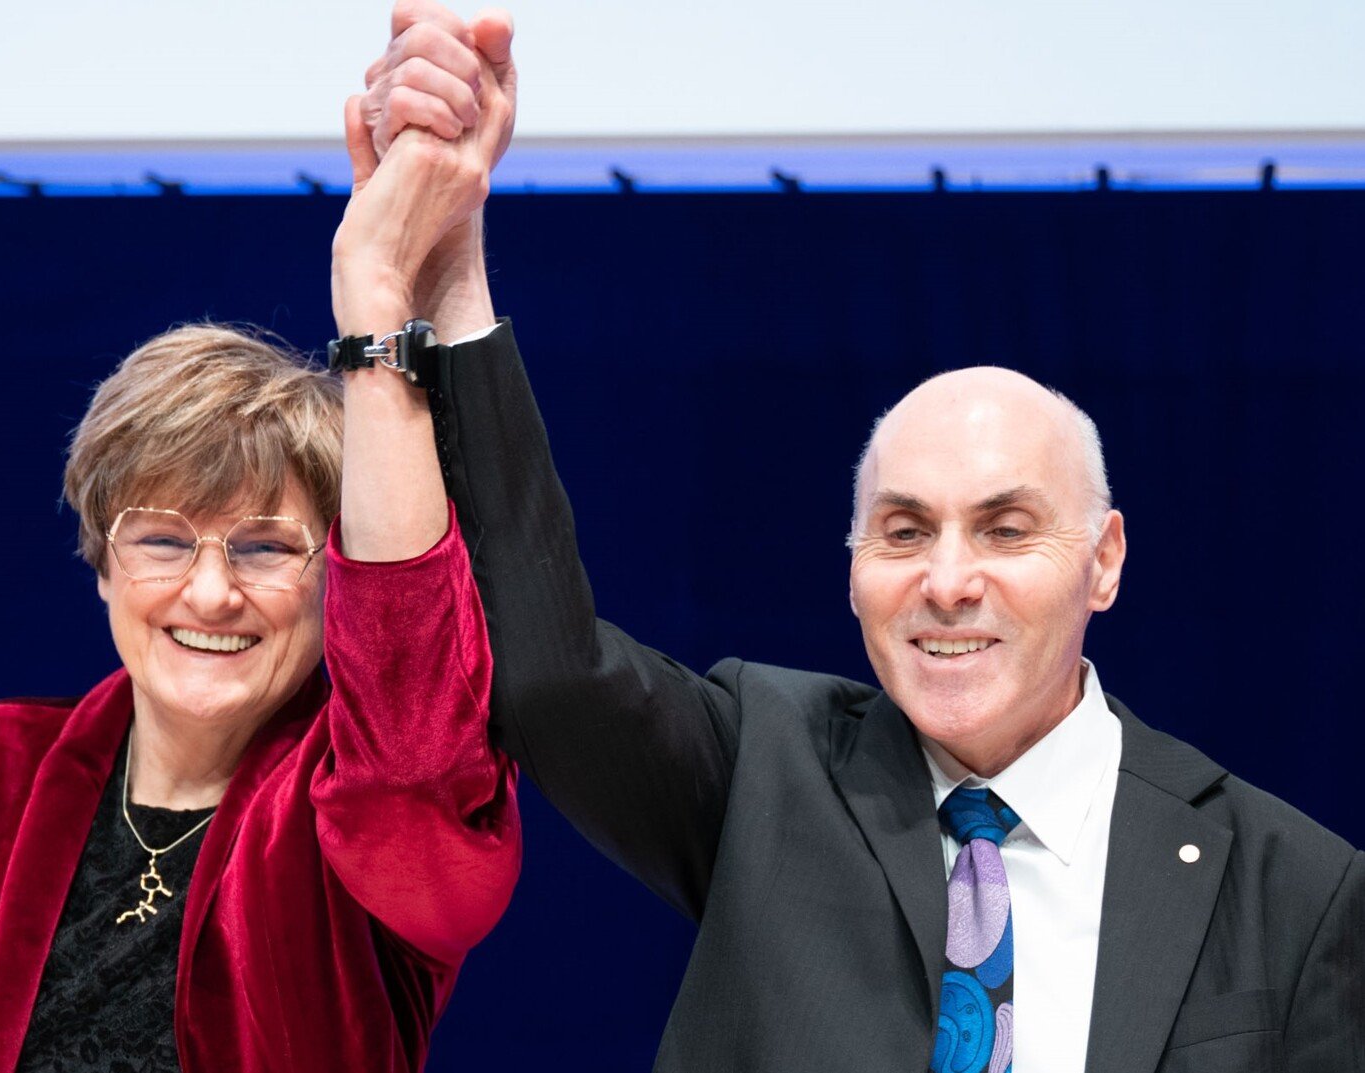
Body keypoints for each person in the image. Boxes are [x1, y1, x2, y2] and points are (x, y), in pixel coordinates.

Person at [364, 4, 1365, 1071]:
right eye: (901, 530)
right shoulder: (768, 766)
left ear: (1103, 557)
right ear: (850, 569)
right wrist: (449, 269)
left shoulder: (1293, 885)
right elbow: (549, 676)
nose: (945, 579)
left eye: (1004, 527)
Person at [0, 25, 520, 1072]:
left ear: (333, 585)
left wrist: (378, 289)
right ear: (102, 559)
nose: (209, 592)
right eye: (162, 538)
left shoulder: (353, 822)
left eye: (266, 548)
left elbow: (412, 728)